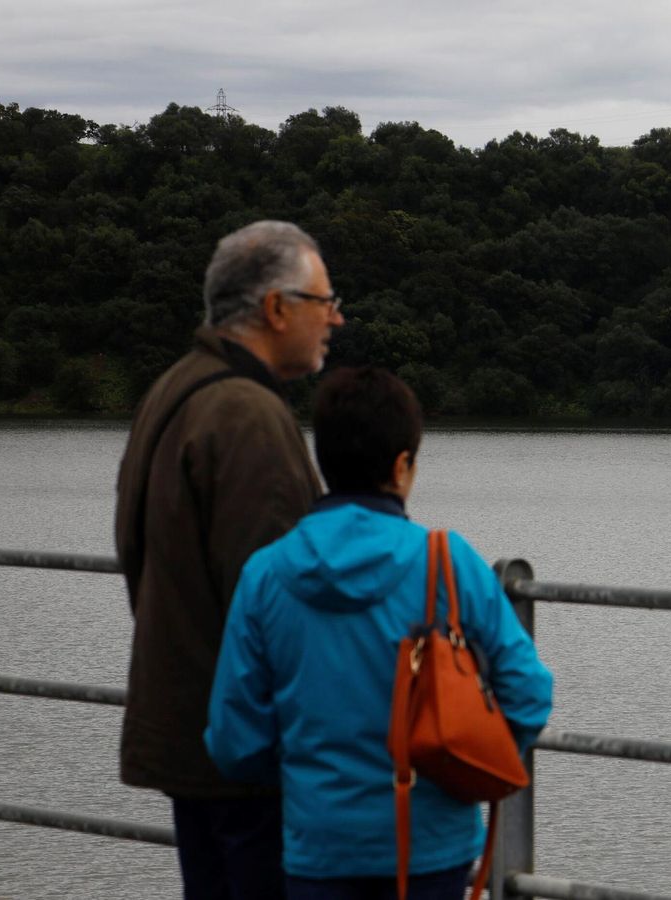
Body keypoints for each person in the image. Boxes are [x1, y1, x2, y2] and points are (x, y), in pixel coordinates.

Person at [204, 366, 554, 900]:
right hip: (431, 847)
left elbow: (233, 740)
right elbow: (528, 693)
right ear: (401, 465)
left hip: (317, 849)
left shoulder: (265, 574)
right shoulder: (447, 563)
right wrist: (467, 766)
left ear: (323, 462)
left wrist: (307, 782)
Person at [113, 219, 344, 899]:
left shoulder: (175, 388)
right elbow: (280, 607)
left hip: (194, 733)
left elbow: (134, 551)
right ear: (276, 308)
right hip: (250, 756)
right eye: (323, 301)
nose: (335, 318)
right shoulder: (246, 414)